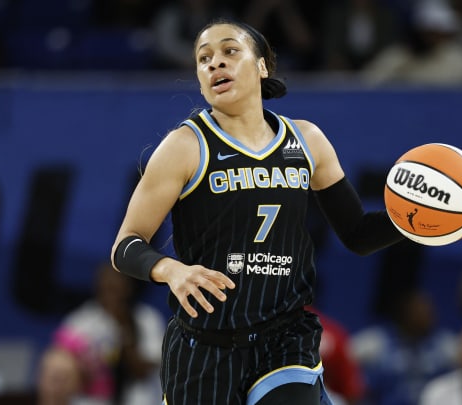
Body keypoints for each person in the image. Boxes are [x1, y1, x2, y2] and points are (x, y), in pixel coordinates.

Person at [110, 18, 404, 405]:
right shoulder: (184, 147)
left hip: (284, 337)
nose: (215, 63)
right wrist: (171, 270)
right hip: (204, 345)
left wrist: (418, 223)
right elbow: (125, 246)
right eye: (204, 58)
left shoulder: (307, 140)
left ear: (263, 65)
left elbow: (359, 233)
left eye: (230, 51)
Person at [53, 262, 165, 405]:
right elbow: (61, 369)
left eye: (117, 286)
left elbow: (143, 370)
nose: (112, 292)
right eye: (107, 286)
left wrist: (123, 327)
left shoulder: (147, 320)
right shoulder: (80, 322)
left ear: (129, 286)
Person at [352, 288, 458, 405]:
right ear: (404, 313)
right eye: (419, 311)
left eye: (429, 310)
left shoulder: (446, 346)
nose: (427, 315)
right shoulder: (375, 343)